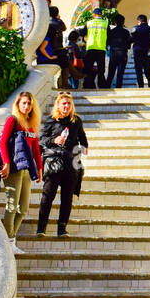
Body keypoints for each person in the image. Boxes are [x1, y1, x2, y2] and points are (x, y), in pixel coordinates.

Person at [36, 92, 88, 238]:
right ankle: (41, 228)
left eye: (69, 104)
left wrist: (83, 148)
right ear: (58, 105)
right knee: (48, 196)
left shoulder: (76, 121)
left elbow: (82, 137)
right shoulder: (52, 120)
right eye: (63, 103)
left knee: (67, 198)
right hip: (54, 162)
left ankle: (62, 228)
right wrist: (55, 140)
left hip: (70, 163)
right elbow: (42, 140)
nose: (66, 106)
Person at [0, 91, 42, 240]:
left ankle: (11, 238)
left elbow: (36, 149)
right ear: (18, 104)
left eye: (29, 103)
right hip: (14, 168)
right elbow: (2, 142)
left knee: (23, 209)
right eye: (23, 103)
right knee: (11, 206)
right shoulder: (13, 120)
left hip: (26, 170)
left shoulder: (31, 124)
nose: (26, 106)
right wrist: (6, 163)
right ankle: (9, 240)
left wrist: (40, 169)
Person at [84, 8, 109, 90]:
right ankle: (102, 85)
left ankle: (88, 85)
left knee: (89, 68)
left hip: (90, 48)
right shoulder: (105, 23)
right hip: (101, 48)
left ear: (94, 15)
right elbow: (109, 36)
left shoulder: (89, 23)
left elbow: (82, 33)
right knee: (101, 69)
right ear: (101, 14)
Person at [105, 14, 132, 88]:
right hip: (123, 54)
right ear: (123, 22)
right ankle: (118, 88)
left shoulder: (111, 32)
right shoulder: (126, 32)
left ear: (115, 22)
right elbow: (129, 45)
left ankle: (107, 88)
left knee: (110, 74)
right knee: (120, 74)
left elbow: (108, 43)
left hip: (113, 54)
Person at [131, 14, 150, 88]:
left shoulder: (135, 29)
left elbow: (131, 39)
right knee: (147, 69)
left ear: (139, 21)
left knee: (139, 70)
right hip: (147, 51)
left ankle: (141, 86)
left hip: (137, 52)